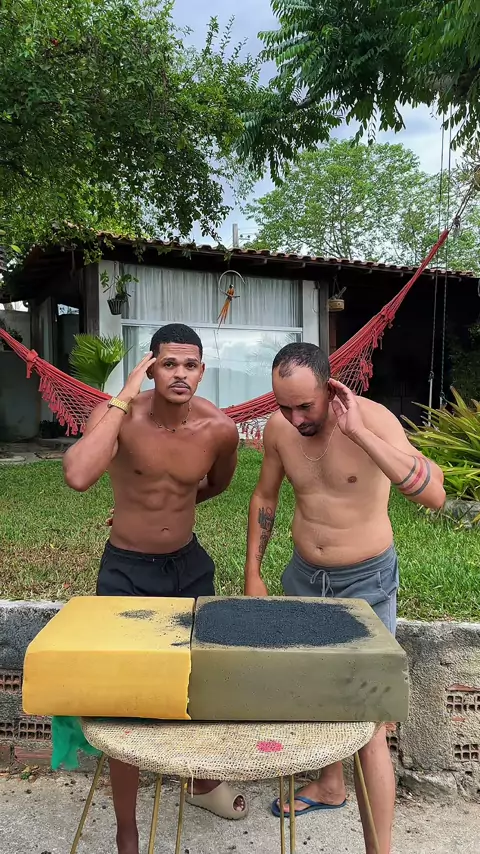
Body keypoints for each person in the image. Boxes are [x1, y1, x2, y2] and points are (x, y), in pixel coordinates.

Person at [244, 342, 445, 854]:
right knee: (317, 693)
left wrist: (360, 434)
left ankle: (381, 849)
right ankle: (330, 786)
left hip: (366, 583)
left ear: (330, 388)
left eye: (304, 406)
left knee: (368, 720)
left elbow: (433, 493)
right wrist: (253, 571)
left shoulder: (373, 419)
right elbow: (266, 494)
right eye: (283, 406)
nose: (294, 418)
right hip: (304, 577)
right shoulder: (279, 429)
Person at [63, 323, 247, 854]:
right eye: (168, 364)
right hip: (126, 570)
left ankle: (203, 782)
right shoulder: (119, 416)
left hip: (187, 567)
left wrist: (170, 514)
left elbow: (216, 484)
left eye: (190, 365)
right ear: (150, 367)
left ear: (202, 371)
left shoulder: (219, 429)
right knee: (124, 698)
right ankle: (127, 827)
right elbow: (78, 475)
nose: (180, 374)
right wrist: (123, 396)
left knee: (197, 679)